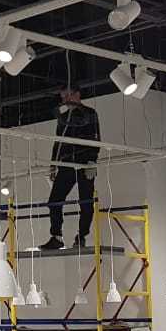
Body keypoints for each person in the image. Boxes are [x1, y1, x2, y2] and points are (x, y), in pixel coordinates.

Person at [41, 85, 100, 250]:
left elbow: (96, 138)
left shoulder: (89, 113)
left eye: (68, 95)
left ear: (77, 94)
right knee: (54, 201)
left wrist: (92, 160)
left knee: (86, 201)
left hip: (84, 163)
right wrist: (54, 164)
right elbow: (58, 142)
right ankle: (56, 236)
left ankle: (81, 236)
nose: (65, 99)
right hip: (66, 164)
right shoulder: (63, 118)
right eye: (63, 97)